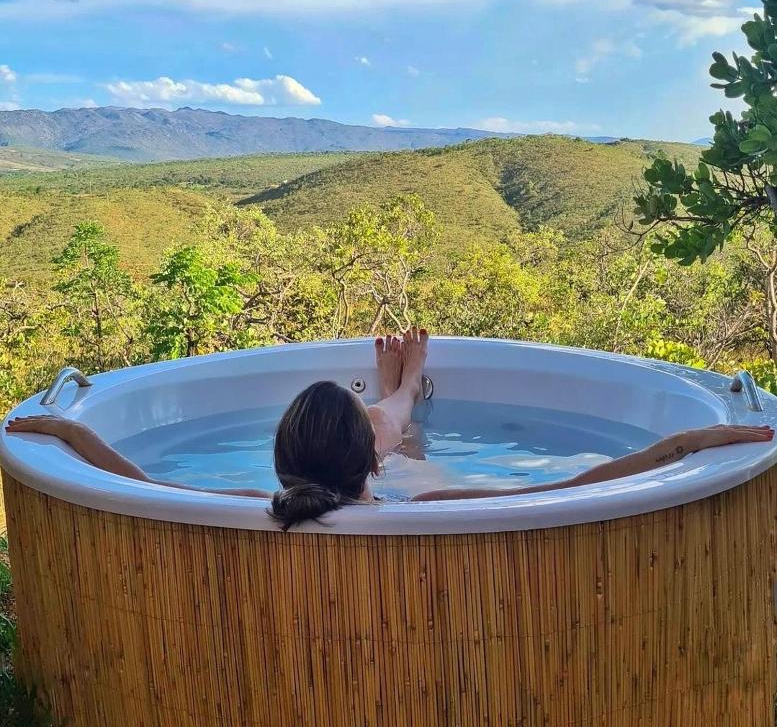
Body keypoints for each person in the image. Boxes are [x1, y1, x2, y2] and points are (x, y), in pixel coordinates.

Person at [5, 328, 774, 530]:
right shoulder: (433, 514)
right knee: (414, 458)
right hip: (398, 485)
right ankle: (398, 400)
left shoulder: (244, 501)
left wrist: (67, 430)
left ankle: (398, 396)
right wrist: (687, 443)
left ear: (280, 461)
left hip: (352, 475)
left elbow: (131, 480)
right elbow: (582, 483)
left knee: (399, 436)